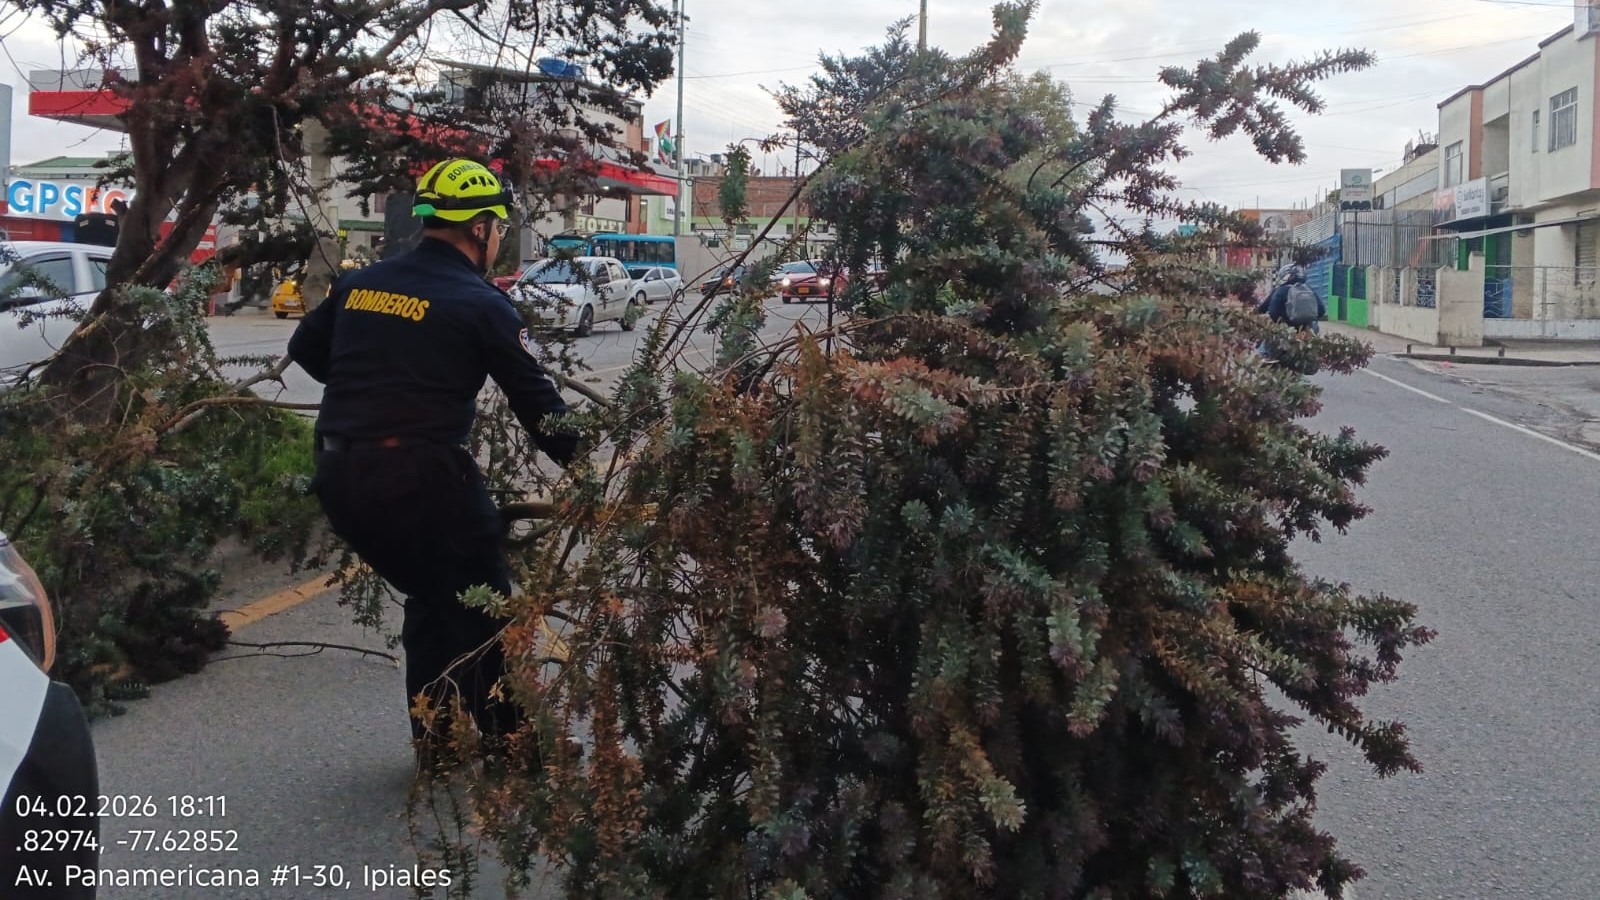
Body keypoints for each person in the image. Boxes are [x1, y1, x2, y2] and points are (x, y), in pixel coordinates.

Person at [287, 158, 579, 748]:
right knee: (483, 603)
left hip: (341, 473)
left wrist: (373, 392)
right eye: (498, 226)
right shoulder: (481, 303)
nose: (499, 238)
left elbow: (306, 348)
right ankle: (509, 743)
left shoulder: (361, 283)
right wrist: (600, 470)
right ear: (479, 229)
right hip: (420, 477)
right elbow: (541, 410)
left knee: (432, 594)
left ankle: (438, 739)